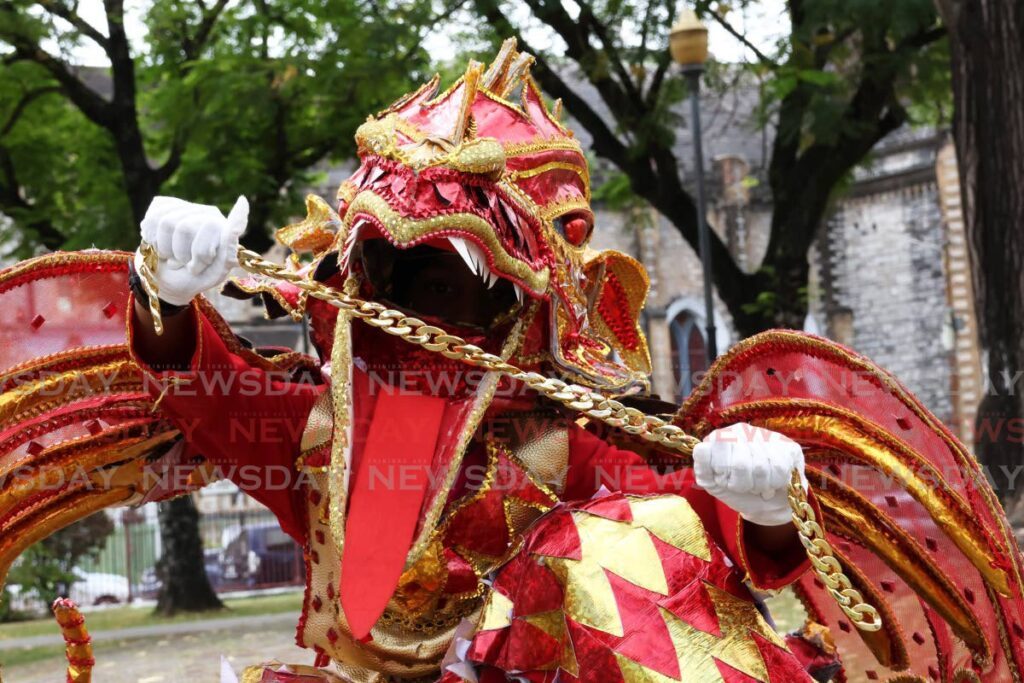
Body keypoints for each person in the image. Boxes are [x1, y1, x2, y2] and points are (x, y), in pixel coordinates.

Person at [122, 43, 815, 683]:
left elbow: (684, 512)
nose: (431, 312)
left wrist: (761, 505)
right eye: (413, 281)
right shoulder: (319, 431)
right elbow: (205, 390)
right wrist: (167, 292)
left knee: (622, 548)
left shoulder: (550, 445)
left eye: (457, 289)